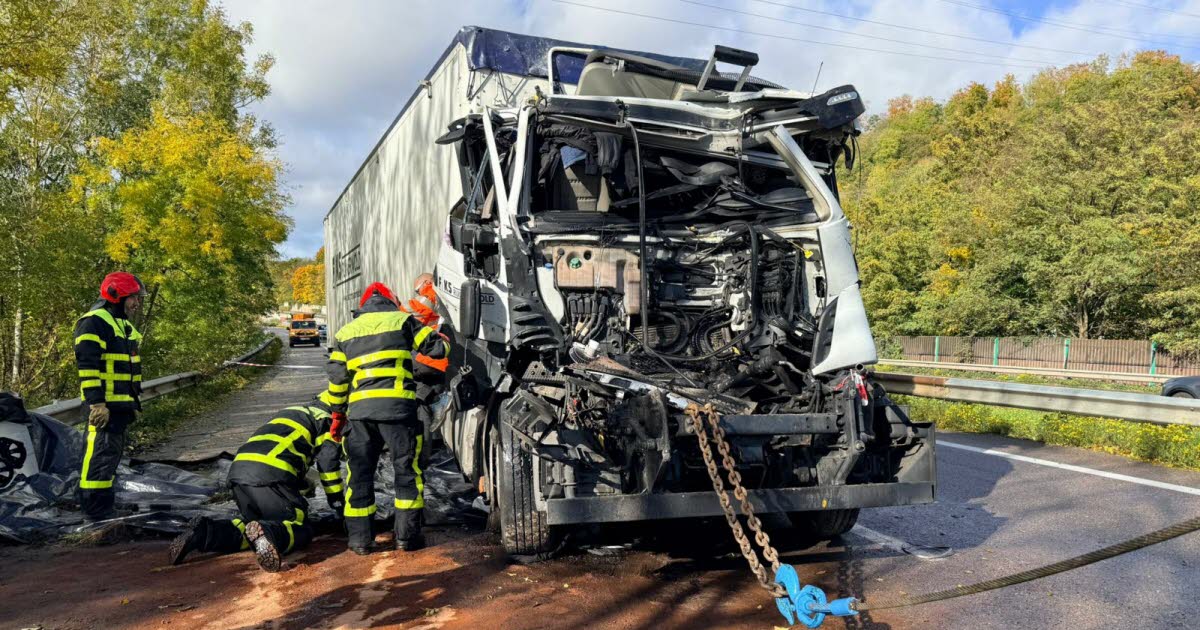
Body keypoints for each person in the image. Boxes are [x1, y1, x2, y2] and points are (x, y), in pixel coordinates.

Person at [322, 281, 449, 554]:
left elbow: (337, 380)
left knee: (358, 476)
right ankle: (406, 538)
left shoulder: (345, 333)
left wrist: (337, 415)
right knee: (407, 473)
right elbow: (436, 350)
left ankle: (360, 541)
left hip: (360, 417)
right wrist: (446, 341)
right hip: (398, 413)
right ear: (392, 301)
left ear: (362, 307)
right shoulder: (403, 321)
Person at [167, 400, 344, 571]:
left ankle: (204, 532)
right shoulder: (327, 421)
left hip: (239, 472)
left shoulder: (293, 412)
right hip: (270, 473)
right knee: (298, 525)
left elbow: (288, 448)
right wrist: (337, 501)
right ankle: (270, 533)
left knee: (252, 527)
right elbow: (328, 466)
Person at [74, 272, 146, 521]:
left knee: (110, 457)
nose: (136, 303)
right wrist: (97, 404)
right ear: (116, 296)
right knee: (99, 456)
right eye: (133, 297)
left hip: (120, 405)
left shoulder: (122, 324)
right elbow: (88, 367)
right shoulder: (94, 322)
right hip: (104, 407)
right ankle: (95, 512)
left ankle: (106, 505)